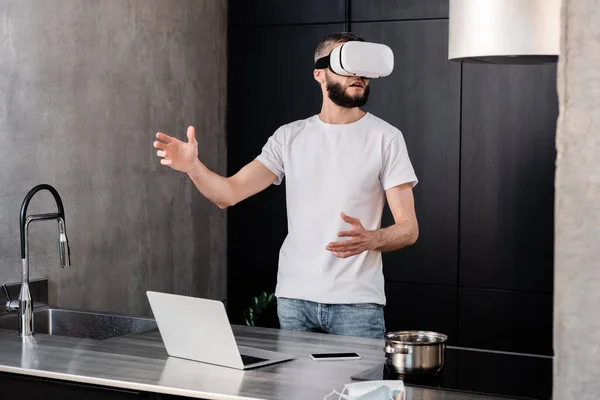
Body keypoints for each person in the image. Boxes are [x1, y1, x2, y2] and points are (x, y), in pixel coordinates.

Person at [153, 32, 419, 339]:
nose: (357, 74)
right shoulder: (289, 137)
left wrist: (371, 239)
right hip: (294, 300)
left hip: (356, 304)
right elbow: (227, 194)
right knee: (296, 389)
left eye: (362, 67)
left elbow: (408, 228)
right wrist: (192, 167)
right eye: (346, 64)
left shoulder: (386, 138)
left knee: (358, 389)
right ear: (319, 73)